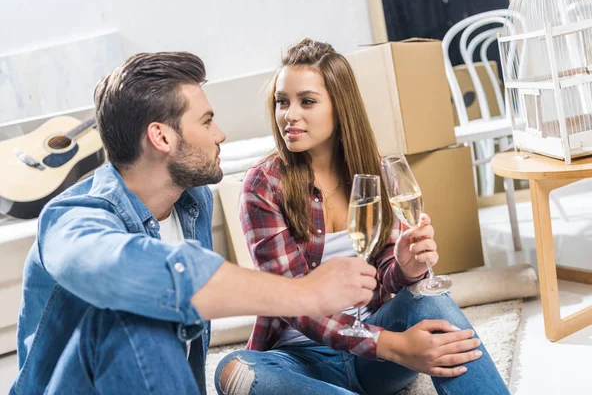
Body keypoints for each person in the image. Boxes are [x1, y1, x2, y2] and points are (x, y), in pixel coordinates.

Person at [9, 52, 379, 395]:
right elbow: (143, 273)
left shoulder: (192, 201)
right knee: (136, 313)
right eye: (206, 121)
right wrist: (308, 293)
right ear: (162, 136)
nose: (220, 134)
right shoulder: (72, 220)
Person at [216, 39, 509, 395]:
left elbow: (386, 279)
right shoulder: (263, 185)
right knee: (234, 371)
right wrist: (396, 346)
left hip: (375, 357)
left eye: (306, 101)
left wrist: (406, 267)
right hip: (303, 360)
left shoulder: (372, 173)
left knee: (430, 299)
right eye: (282, 101)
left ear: (340, 106)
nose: (289, 115)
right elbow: (293, 301)